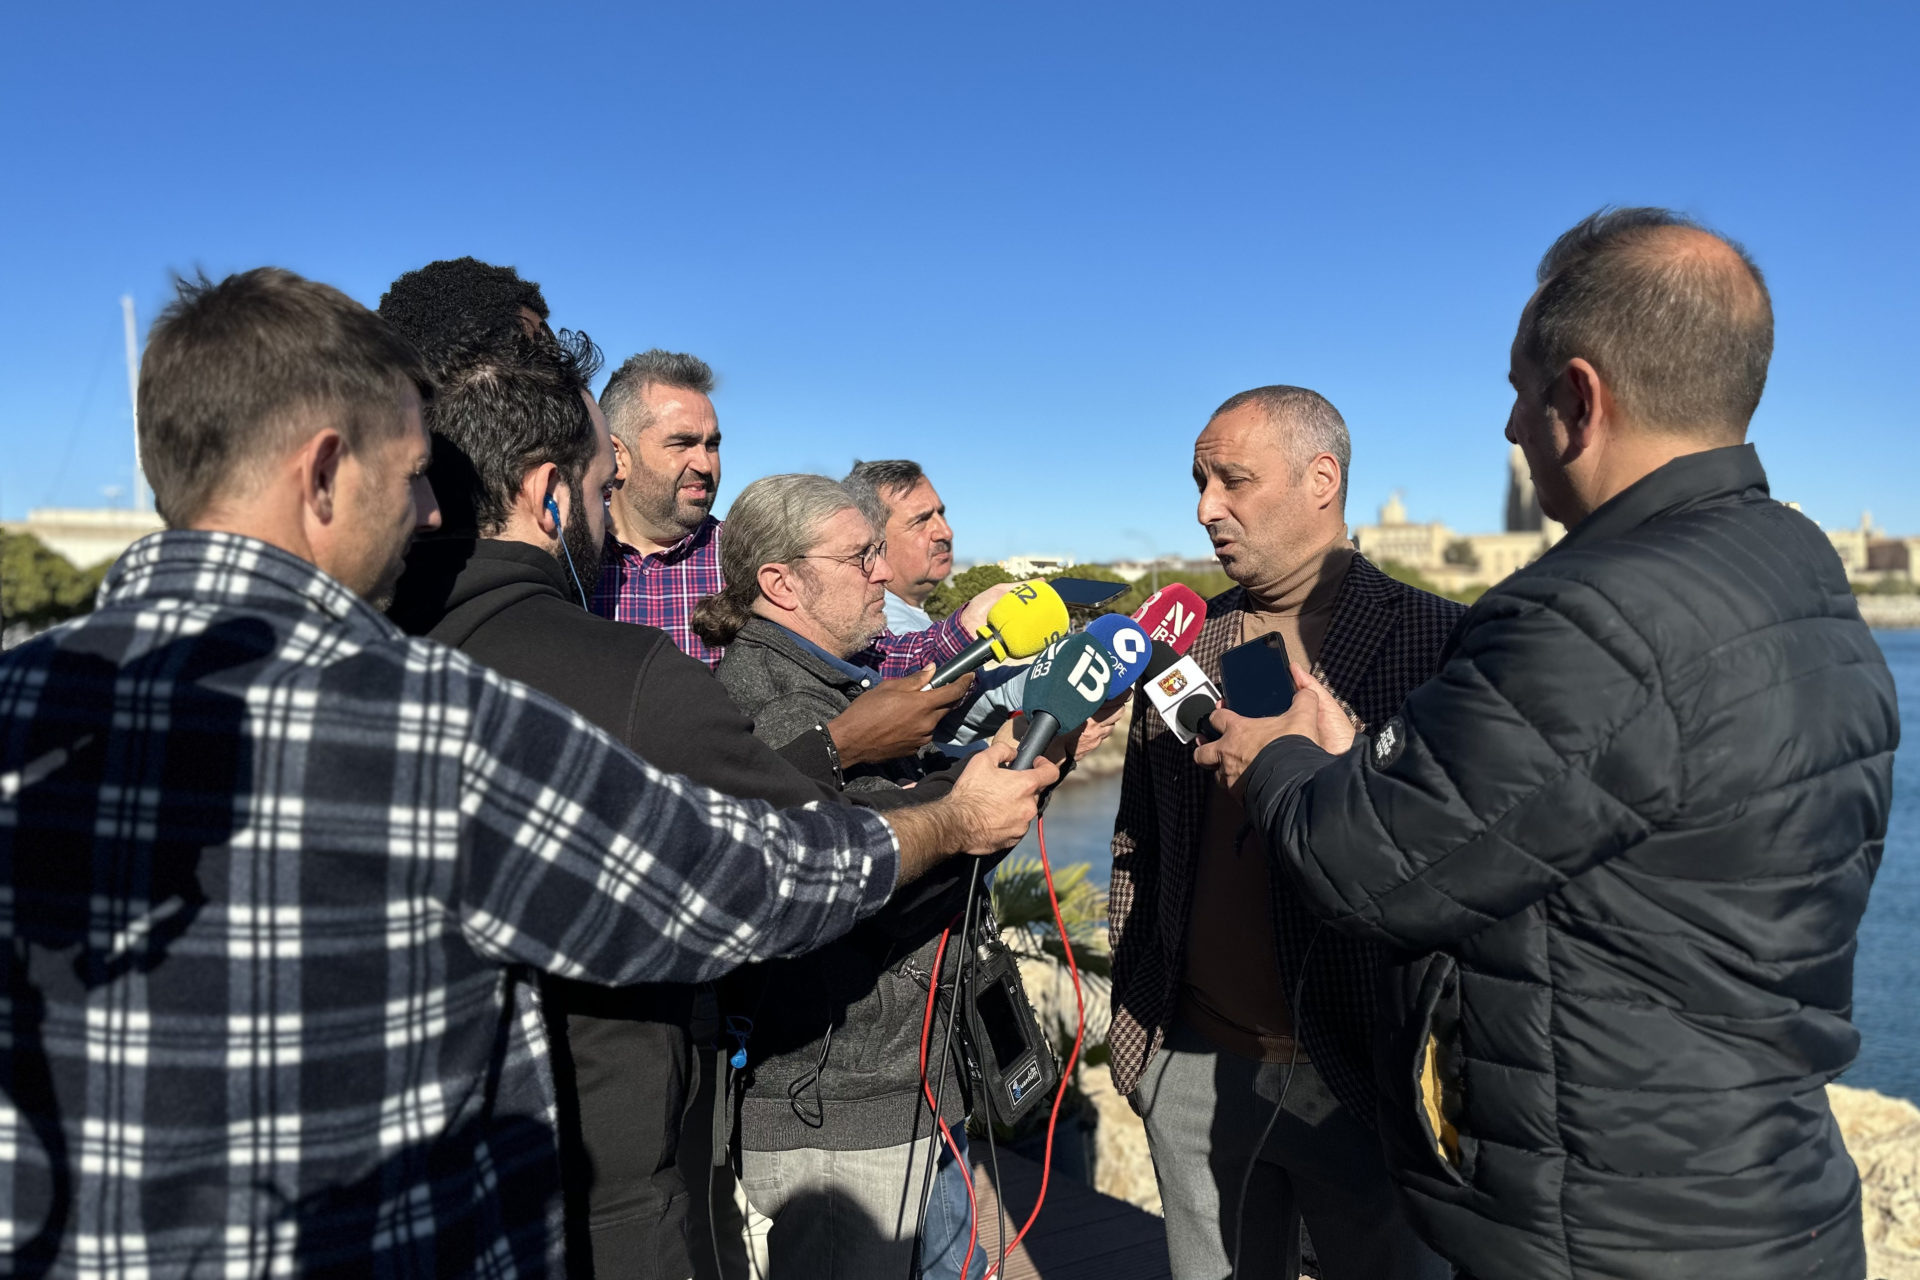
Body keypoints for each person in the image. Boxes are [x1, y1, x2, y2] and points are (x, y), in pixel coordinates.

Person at [0, 267, 1058, 1278]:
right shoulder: (431, 721)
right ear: (321, 475)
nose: (430, 512)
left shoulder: (23, 701)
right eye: (411, 474)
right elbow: (751, 881)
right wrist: (951, 818)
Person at [1201, 209, 1900, 1280]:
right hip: (1760, 1191)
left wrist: (1280, 758)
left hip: (1606, 1224)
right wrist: (1367, 763)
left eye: (1521, 394)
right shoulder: (1795, 569)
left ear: (1579, 398)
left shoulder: (1588, 612)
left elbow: (1366, 870)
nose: (1510, 429)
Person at [697, 475, 1114, 1278]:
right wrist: (996, 783)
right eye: (860, 558)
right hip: (841, 1118)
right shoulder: (768, 703)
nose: (883, 573)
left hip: (907, 1091)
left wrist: (1032, 761)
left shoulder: (841, 681)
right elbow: (877, 886)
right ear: (781, 582)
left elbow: (944, 844)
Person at [1105, 386, 1459, 1280]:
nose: (1205, 508)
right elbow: (1138, 842)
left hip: (1370, 1086)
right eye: (1198, 482)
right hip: (1192, 1065)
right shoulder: (1181, 648)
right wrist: (1145, 1050)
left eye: (1233, 480)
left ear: (1321, 479)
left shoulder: (1443, 641)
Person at [590, 350, 1013, 673]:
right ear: (617, 455)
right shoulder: (569, 563)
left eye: (712, 444)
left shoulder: (751, 556)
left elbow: (874, 660)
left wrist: (965, 626)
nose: (705, 463)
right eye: (682, 443)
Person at [843, 458, 1027, 748]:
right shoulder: (876, 625)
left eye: (941, 514)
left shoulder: (910, 614)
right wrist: (1050, 681)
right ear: (870, 541)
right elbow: (926, 689)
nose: (945, 532)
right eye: (921, 520)